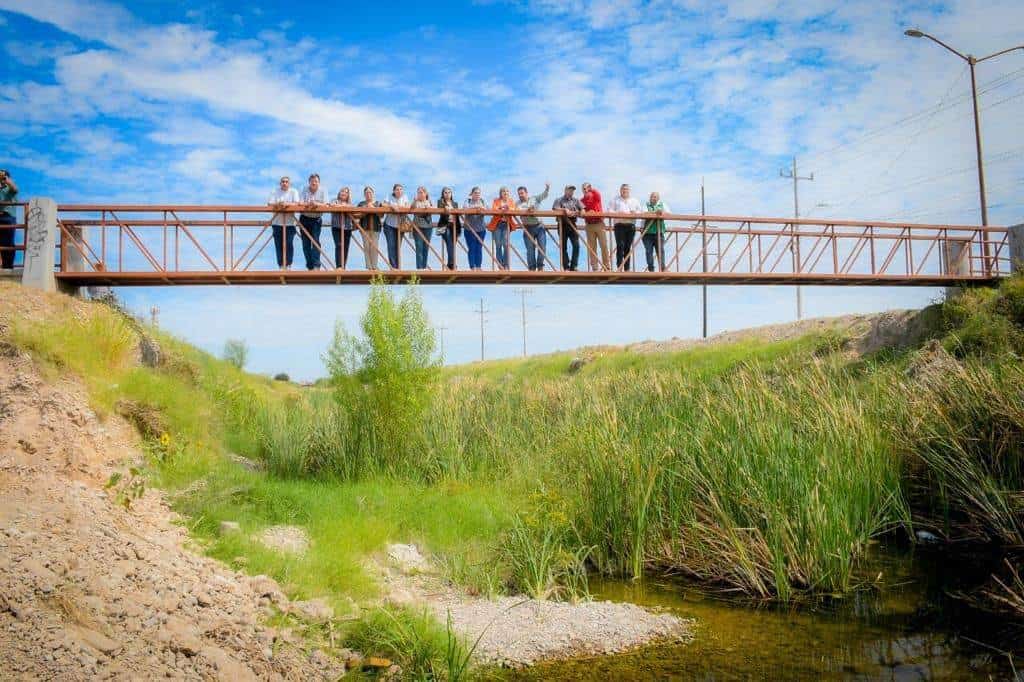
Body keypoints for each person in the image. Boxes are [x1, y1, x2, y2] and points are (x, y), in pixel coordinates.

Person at [607, 183, 644, 271]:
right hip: (619, 225)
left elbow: (640, 212)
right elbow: (609, 210)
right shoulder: (615, 200)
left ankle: (627, 268)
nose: (624, 191)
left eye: (626, 189)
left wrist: (634, 213)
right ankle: (619, 267)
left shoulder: (634, 200)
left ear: (629, 191)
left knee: (628, 247)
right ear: (620, 190)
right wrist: (618, 213)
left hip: (630, 225)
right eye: (623, 189)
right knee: (620, 246)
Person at [267, 176, 300, 269]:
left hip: (290, 223)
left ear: (289, 184)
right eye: (283, 181)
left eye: (286, 182)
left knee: (289, 243)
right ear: (280, 183)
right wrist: (279, 204)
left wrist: (286, 204)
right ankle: (281, 265)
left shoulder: (294, 191)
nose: (284, 183)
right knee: (278, 244)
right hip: (277, 223)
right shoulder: (274, 191)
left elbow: (297, 203)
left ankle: (288, 264)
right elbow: (269, 203)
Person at [517, 182, 550, 271]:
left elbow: (544, 196)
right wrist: (528, 210)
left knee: (542, 247)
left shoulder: (535, 198)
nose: (520, 195)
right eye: (519, 194)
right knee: (530, 250)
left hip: (539, 226)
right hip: (528, 227)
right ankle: (532, 268)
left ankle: (540, 266)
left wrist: (547, 188)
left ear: (526, 193)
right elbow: (518, 211)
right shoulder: (518, 203)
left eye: (522, 193)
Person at [552, 185, 582, 271]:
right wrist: (564, 210)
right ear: (565, 190)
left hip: (572, 224)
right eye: (570, 190)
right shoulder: (559, 200)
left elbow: (583, 210)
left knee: (576, 245)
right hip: (562, 225)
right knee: (563, 246)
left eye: (572, 190)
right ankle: (566, 266)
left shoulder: (576, 200)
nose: (571, 192)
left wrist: (578, 212)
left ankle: (574, 266)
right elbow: (554, 209)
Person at [299, 173, 326, 270]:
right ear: (309, 182)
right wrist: (309, 204)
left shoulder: (323, 191)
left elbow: (326, 204)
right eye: (312, 181)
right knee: (305, 243)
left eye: (316, 181)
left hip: (316, 219)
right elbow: (300, 203)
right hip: (304, 218)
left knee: (315, 241)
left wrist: (316, 204)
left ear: (319, 183)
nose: (314, 183)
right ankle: (310, 266)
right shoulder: (304, 189)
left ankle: (316, 265)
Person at [488, 187, 518, 270]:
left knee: (506, 244)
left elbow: (514, 209)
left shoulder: (511, 201)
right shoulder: (496, 201)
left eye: (507, 191)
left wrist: (508, 209)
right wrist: (502, 208)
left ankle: (506, 265)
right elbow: (494, 209)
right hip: (497, 224)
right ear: (500, 193)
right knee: (498, 245)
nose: (505, 192)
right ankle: (500, 265)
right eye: (503, 191)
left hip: (506, 224)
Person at [581, 182, 609, 271]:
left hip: (599, 223)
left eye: (587, 188)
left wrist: (590, 188)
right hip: (589, 225)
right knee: (592, 247)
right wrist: (586, 213)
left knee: (604, 245)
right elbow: (581, 211)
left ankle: (606, 265)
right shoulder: (582, 200)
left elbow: (597, 193)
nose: (586, 190)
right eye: (584, 189)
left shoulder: (595, 195)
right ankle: (595, 267)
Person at [381, 183, 410, 269]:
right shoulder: (389, 196)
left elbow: (408, 206)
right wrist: (392, 206)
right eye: (397, 189)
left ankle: (398, 267)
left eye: (401, 189)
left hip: (400, 225)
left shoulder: (405, 197)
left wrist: (401, 208)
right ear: (394, 190)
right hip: (389, 225)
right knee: (391, 245)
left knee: (398, 246)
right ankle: (393, 267)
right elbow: (383, 204)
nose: (399, 191)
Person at [355, 186, 383, 270]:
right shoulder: (361, 204)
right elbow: (357, 215)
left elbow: (382, 215)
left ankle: (374, 266)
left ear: (373, 194)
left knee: (374, 247)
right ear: (364, 195)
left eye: (370, 192)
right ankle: (369, 267)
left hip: (375, 228)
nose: (368, 194)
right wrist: (366, 209)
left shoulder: (378, 203)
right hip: (364, 228)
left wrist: (374, 209)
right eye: (366, 193)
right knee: (366, 247)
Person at [642, 191, 670, 272]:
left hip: (659, 232)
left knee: (660, 250)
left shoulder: (662, 205)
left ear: (658, 198)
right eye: (652, 197)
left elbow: (669, 214)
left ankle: (663, 268)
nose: (653, 198)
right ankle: (651, 269)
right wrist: (655, 212)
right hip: (647, 233)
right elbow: (643, 213)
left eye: (655, 197)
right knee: (648, 251)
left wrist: (661, 213)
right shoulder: (646, 205)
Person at [463, 186, 488, 271]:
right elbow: (465, 209)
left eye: (478, 193)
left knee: (479, 248)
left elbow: (487, 210)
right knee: (472, 247)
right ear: (472, 194)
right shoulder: (468, 201)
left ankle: (478, 266)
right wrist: (475, 208)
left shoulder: (483, 201)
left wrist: (481, 208)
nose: (477, 195)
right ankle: (472, 266)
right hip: (469, 229)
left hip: (481, 228)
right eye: (475, 193)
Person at [436, 187, 461, 270]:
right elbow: (440, 209)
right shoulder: (440, 202)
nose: (447, 194)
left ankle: (450, 264)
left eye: (449, 192)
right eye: (445, 192)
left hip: (454, 226)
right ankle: (452, 264)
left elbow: (457, 215)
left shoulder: (455, 203)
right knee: (450, 243)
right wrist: (445, 208)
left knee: (452, 245)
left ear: (451, 194)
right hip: (444, 226)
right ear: (443, 194)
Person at [330, 187, 355, 269]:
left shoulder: (350, 203)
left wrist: (344, 206)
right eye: (342, 191)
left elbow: (352, 208)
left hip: (347, 227)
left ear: (348, 195)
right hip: (336, 226)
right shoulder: (334, 200)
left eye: (346, 192)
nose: (344, 193)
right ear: (339, 193)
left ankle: (343, 266)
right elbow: (332, 206)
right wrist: (342, 206)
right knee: (339, 245)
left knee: (346, 247)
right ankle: (339, 266)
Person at [410, 186, 434, 269]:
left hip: (428, 226)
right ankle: (420, 268)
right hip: (417, 226)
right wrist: (414, 200)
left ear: (425, 193)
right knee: (419, 246)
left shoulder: (429, 202)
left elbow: (433, 210)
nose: (420, 194)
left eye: (421, 192)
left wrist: (429, 208)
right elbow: (411, 209)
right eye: (418, 192)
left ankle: (424, 267)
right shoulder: (415, 202)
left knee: (426, 247)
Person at [0, 169, 19, 270]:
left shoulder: (10, 187)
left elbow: (15, 189)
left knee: (9, 242)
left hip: (9, 217)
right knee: (1, 242)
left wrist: (6, 180)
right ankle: (4, 266)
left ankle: (9, 266)